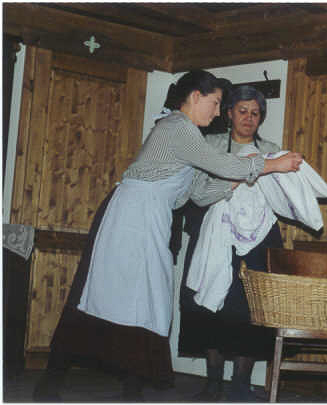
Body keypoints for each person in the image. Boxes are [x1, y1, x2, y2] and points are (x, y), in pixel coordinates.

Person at [33, 71, 303, 402]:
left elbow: (200, 195)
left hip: (151, 217)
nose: (217, 112)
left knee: (149, 299)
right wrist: (271, 165)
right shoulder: (176, 127)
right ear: (196, 97)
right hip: (129, 216)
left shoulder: (192, 138)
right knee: (100, 293)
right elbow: (220, 164)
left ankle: (131, 387)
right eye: (215, 103)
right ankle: (53, 380)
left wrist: (241, 177)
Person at [177, 85, 282, 402]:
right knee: (209, 302)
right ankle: (213, 383)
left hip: (256, 239)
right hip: (214, 232)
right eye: (242, 111)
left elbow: (280, 196)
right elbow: (198, 191)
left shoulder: (271, 151)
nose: (249, 118)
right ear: (229, 113)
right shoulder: (209, 145)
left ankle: (241, 384)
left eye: (255, 113)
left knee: (247, 307)